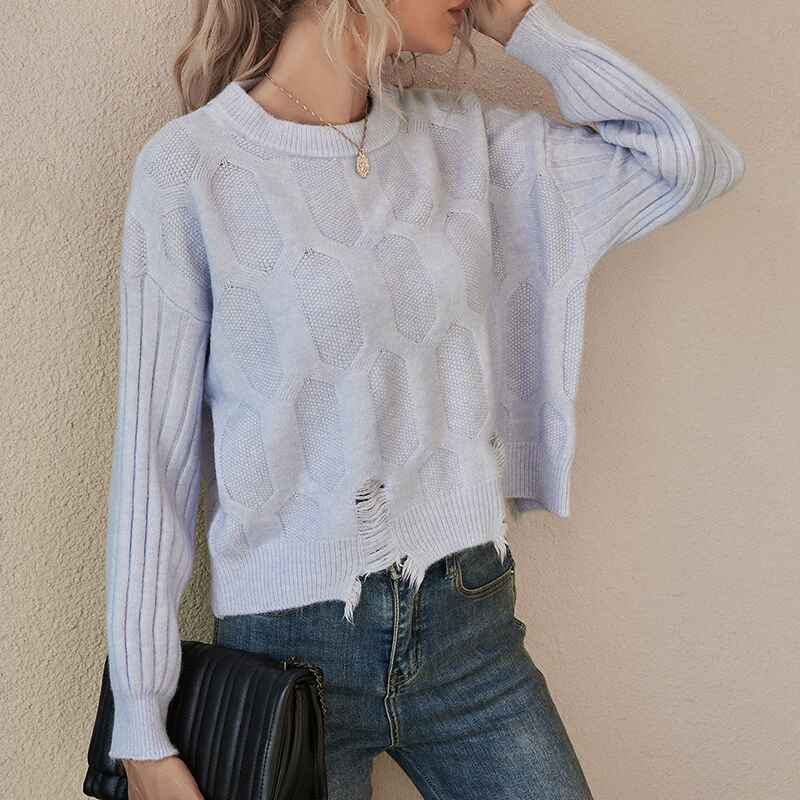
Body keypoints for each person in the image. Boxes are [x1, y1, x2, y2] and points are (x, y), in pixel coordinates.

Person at [103, 0, 745, 797]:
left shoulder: (464, 143)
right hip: (288, 656)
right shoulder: (191, 168)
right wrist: (140, 725)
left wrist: (525, 25)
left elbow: (691, 160)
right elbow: (154, 462)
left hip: (469, 630)